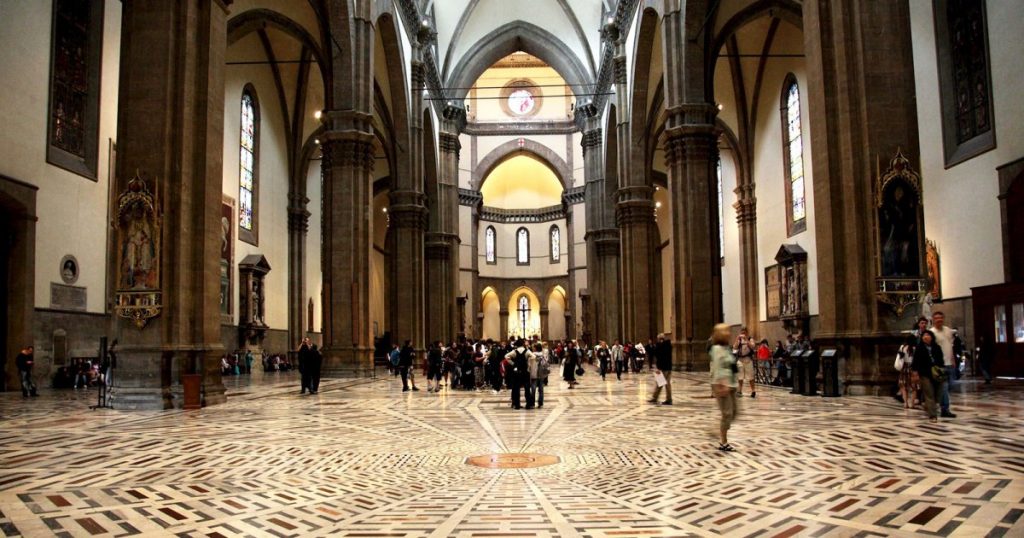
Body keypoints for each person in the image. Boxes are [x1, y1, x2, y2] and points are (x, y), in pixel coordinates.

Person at [710, 324, 739, 451]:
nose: (729, 333)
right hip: (722, 384)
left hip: (731, 384)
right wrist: (721, 384)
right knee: (727, 414)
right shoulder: (716, 349)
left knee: (734, 413)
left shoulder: (726, 348)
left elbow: (731, 364)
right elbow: (717, 367)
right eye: (726, 331)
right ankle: (723, 441)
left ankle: (719, 430)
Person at [912, 329, 945, 423]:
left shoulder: (937, 347)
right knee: (929, 393)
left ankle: (928, 405)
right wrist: (915, 373)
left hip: (936, 373)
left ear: (932, 337)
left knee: (938, 393)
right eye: (924, 335)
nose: (926, 337)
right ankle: (933, 415)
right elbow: (916, 361)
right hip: (924, 373)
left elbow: (941, 359)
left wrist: (941, 369)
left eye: (928, 335)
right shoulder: (919, 348)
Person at [929, 312, 957, 418]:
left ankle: (939, 402)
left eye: (941, 317)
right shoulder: (932, 332)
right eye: (936, 318)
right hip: (940, 364)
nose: (939, 320)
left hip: (950, 363)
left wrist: (953, 359)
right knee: (944, 387)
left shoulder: (948, 330)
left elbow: (950, 345)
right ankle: (945, 409)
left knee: (950, 386)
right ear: (933, 320)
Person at [504, 339, 533, 409]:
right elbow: (533, 356)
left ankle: (517, 405)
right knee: (527, 388)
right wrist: (529, 363)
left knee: (516, 388)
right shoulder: (527, 351)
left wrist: (513, 364)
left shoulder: (514, 351)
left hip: (517, 372)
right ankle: (528, 404)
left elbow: (506, 356)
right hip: (525, 371)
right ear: (523, 344)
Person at [649, 334, 673, 405]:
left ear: (659, 339)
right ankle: (669, 399)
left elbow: (656, 353)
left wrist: (656, 346)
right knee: (667, 384)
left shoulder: (661, 346)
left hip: (662, 367)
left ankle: (655, 398)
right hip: (668, 367)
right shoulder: (669, 345)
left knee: (659, 382)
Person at [734, 329, 756, 397]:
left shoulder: (750, 339)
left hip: (748, 360)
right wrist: (737, 338)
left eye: (744, 332)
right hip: (740, 360)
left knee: (750, 376)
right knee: (740, 376)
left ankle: (753, 391)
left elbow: (752, 346)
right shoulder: (739, 339)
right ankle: (739, 391)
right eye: (742, 332)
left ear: (747, 333)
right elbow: (735, 347)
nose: (743, 334)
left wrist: (746, 340)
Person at [531, 343, 549, 408]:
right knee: (541, 389)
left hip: (534, 373)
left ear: (535, 348)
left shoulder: (532, 355)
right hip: (541, 374)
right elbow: (545, 363)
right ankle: (540, 403)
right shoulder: (543, 355)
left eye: (533, 347)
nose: (532, 348)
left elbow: (529, 365)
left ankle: (532, 403)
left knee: (533, 389)